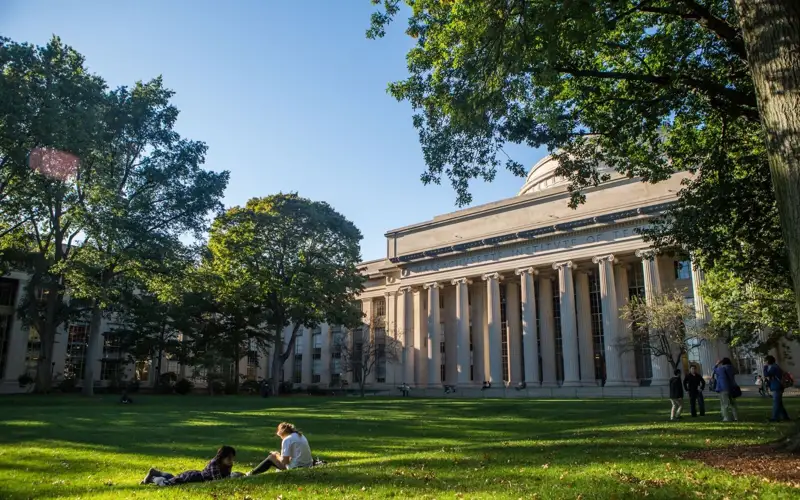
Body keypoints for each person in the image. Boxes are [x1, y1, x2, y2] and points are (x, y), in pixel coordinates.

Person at [141, 445, 236, 486]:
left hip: (196, 475)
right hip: (194, 477)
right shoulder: (214, 463)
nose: (231, 461)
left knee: (174, 478)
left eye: (232, 458)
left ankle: (157, 472)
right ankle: (152, 478)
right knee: (167, 484)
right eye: (229, 458)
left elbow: (226, 478)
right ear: (222, 457)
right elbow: (218, 481)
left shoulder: (227, 464)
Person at [247, 422, 313, 475]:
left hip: (296, 468)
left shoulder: (287, 439)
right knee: (275, 457)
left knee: (271, 457)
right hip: (308, 465)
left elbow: (285, 461)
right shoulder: (300, 435)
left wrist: (276, 455)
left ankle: (251, 474)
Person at [764, 355, 791, 422]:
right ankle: (785, 417)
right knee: (779, 403)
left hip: (777, 387)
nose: (765, 362)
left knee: (776, 402)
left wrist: (765, 367)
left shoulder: (774, 367)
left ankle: (775, 418)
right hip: (777, 386)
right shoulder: (775, 366)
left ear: (768, 361)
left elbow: (766, 374)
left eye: (765, 361)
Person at [713, 358, 739, 422]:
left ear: (722, 363)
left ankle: (726, 418)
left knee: (724, 404)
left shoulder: (721, 368)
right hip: (732, 388)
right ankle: (736, 417)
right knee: (733, 404)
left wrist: (717, 364)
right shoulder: (732, 368)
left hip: (723, 388)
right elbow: (736, 371)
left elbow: (714, 370)